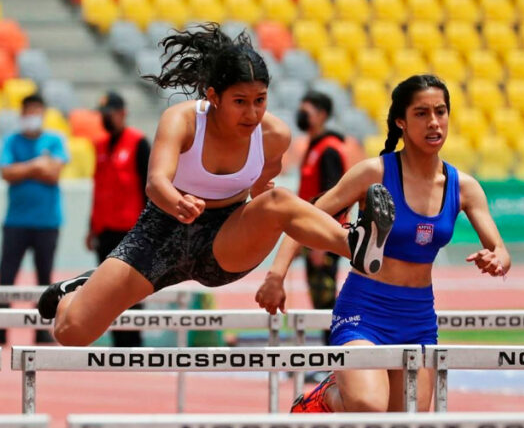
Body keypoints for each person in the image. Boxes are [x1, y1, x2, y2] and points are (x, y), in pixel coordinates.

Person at [36, 24, 395, 347]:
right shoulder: (182, 120)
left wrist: (266, 228)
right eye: (240, 102)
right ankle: (77, 288)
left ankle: (355, 244)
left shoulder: (274, 136)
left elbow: (261, 190)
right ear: (213, 96)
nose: (252, 114)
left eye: (260, 101)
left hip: (224, 244)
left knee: (278, 200)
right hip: (161, 233)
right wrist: (177, 202)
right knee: (72, 333)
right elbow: (156, 181)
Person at [256, 74, 509, 428]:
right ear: (401, 122)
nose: (434, 122)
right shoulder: (376, 173)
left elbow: (499, 248)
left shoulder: (463, 186)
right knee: (368, 404)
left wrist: (498, 258)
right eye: (422, 113)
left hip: (418, 320)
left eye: (441, 112)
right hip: (364, 310)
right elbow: (307, 215)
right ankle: (332, 393)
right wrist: (276, 275)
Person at [0, 93, 69, 345]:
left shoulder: (55, 140)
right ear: (22, 113)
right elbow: (6, 172)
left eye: (37, 111)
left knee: (44, 279)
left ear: (43, 113)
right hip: (16, 221)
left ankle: (42, 330)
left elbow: (54, 173)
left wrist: (23, 169)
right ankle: (0, 329)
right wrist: (37, 166)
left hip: (47, 222)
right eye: (28, 112)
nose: (32, 117)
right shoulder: (11, 141)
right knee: (5, 277)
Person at [87, 91, 151, 347]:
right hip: (105, 231)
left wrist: (149, 232)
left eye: (109, 114)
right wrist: (90, 227)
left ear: (122, 113)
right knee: (105, 292)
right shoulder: (100, 146)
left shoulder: (138, 143)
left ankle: (132, 343)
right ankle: (117, 343)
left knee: (130, 291)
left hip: (131, 231)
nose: (105, 119)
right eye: (102, 115)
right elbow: (99, 189)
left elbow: (150, 189)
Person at [295, 91, 350, 371]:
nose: (302, 114)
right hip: (312, 236)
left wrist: (319, 244)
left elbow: (333, 197)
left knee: (327, 301)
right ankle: (330, 361)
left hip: (324, 239)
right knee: (319, 300)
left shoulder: (328, 149)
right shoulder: (313, 147)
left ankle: (334, 362)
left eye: (308, 110)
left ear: (322, 115)